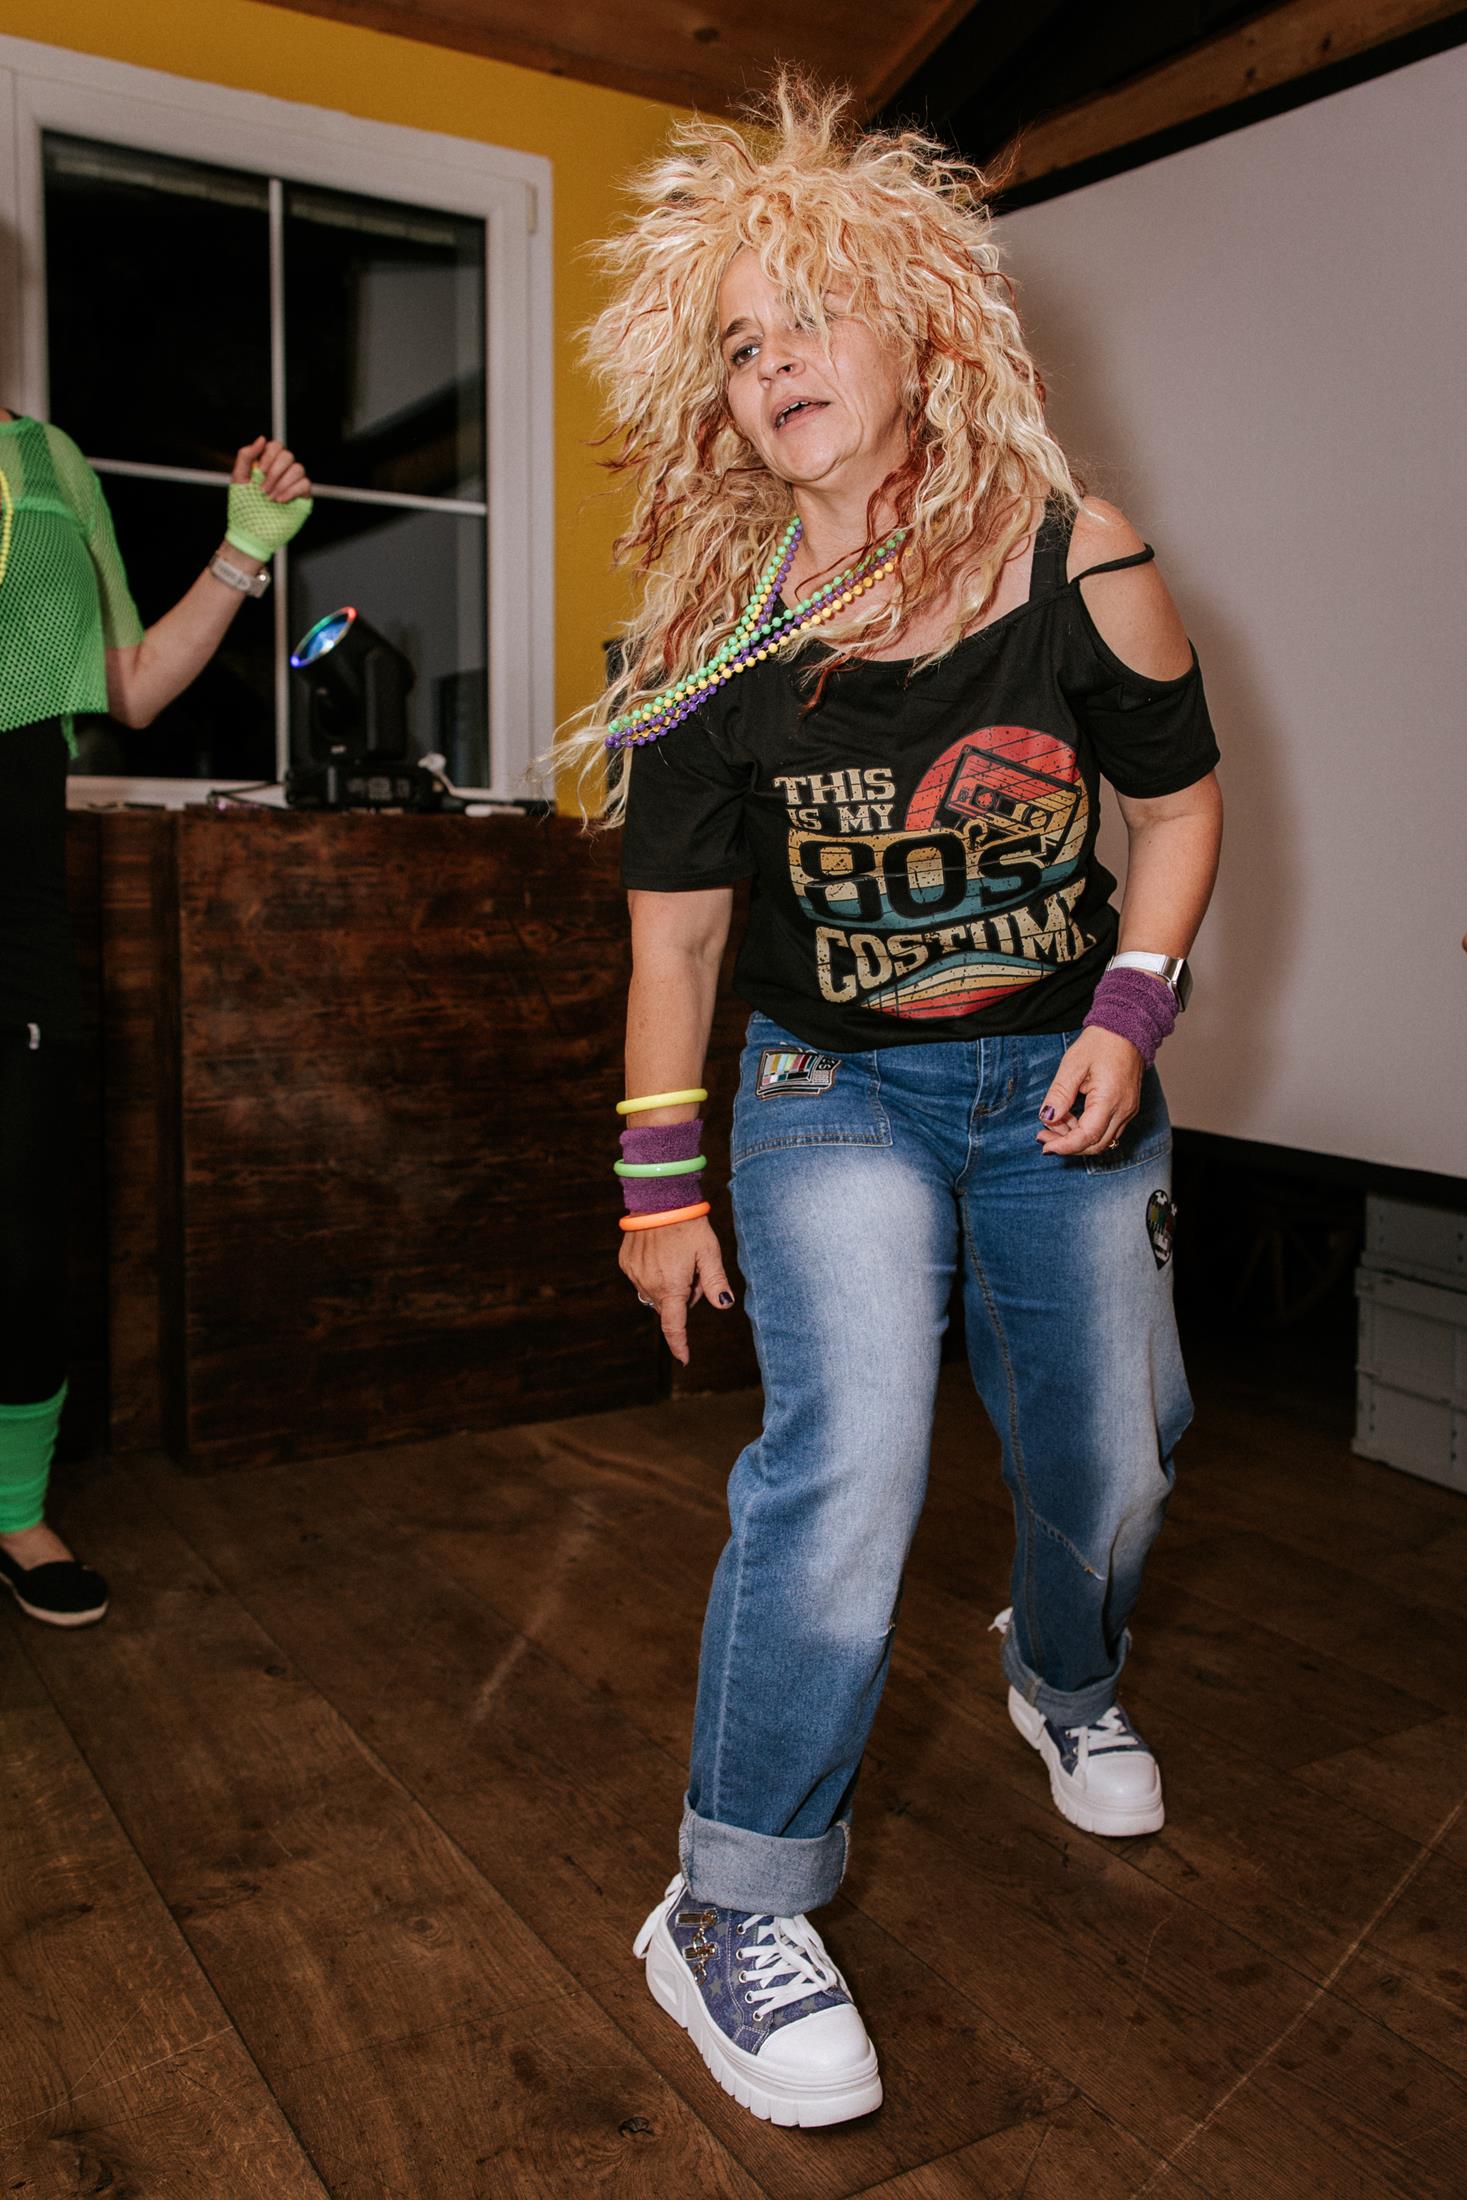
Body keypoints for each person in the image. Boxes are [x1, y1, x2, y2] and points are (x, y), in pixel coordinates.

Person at [563, 80, 1223, 2129]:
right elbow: (678, 945)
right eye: (735, 343)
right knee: (845, 1458)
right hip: (825, 1081)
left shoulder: (1079, 555)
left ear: (923, 331)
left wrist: (1133, 1007)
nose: (772, 364)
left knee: (1114, 1460)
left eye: (809, 316)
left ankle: (1062, 1673)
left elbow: (1178, 810)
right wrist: (654, 1186)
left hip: (1061, 1078)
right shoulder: (708, 640)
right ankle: (729, 1899)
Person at [0, 416, 311, 1625]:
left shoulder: (50, 464)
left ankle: (14, 1510)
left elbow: (127, 684)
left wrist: (244, 550)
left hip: (19, 920)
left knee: (23, 1242)